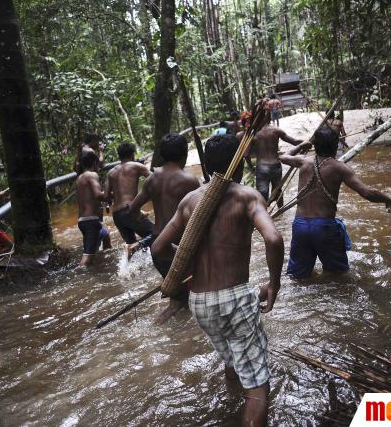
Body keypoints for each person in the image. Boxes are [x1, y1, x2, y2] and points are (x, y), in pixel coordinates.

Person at [152, 135, 284, 427]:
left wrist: (187, 259)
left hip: (200, 303)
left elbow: (158, 248)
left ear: (208, 166)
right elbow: (273, 238)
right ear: (238, 165)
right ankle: (247, 402)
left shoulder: (189, 202)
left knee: (233, 359)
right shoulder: (247, 196)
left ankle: (230, 401)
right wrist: (274, 284)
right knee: (258, 389)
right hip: (233, 298)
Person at [280, 126, 391, 279]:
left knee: (299, 277)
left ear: (315, 146)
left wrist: (302, 145)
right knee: (338, 276)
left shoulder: (303, 162)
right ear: (336, 146)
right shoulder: (340, 168)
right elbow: (366, 192)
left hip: (300, 225)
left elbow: (283, 156)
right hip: (324, 227)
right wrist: (388, 199)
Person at [129, 133, 200, 323]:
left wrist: (151, 225)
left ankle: (175, 337)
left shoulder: (152, 179)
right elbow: (200, 216)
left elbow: (133, 209)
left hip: (157, 245)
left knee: (180, 298)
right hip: (179, 247)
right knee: (181, 301)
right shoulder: (189, 180)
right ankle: (158, 327)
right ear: (184, 155)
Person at [105, 142, 153, 257]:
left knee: (131, 246)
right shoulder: (136, 166)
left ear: (119, 156)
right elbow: (155, 180)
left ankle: (130, 273)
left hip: (116, 215)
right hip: (130, 210)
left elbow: (106, 196)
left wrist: (118, 194)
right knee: (156, 234)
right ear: (132, 154)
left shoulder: (110, 173)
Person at [246, 124, 310, 207]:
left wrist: (251, 167)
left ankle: (264, 214)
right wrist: (307, 143)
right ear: (268, 116)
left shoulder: (252, 133)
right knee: (278, 191)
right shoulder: (276, 130)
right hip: (276, 165)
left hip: (262, 167)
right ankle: (281, 213)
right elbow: (295, 141)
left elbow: (246, 155)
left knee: (262, 194)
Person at [76, 152, 111, 268]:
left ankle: (105, 262)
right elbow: (98, 195)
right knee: (87, 257)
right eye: (99, 164)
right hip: (91, 221)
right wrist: (115, 194)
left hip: (84, 220)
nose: (99, 167)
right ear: (95, 163)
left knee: (105, 234)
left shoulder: (80, 177)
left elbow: (93, 199)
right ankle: (81, 278)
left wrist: (105, 203)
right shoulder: (92, 175)